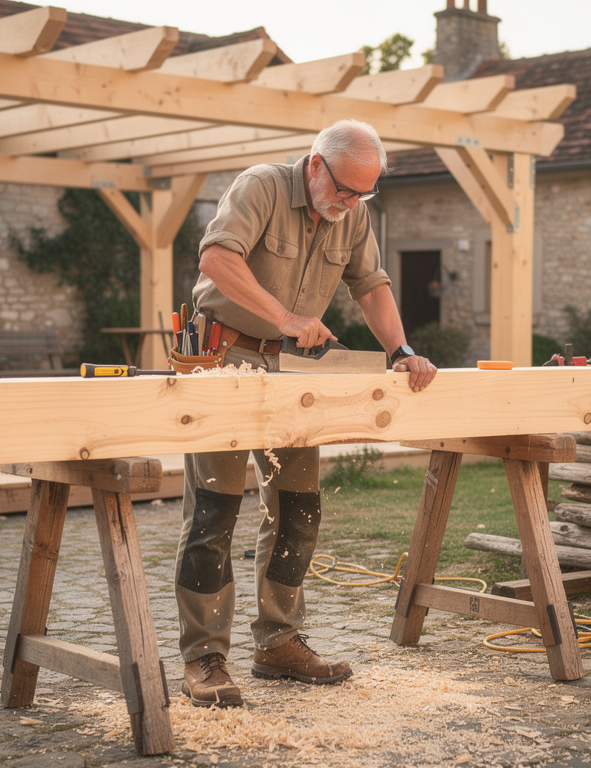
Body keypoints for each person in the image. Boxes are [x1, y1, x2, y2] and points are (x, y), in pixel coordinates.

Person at [175, 119, 438, 707]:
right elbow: (217, 259)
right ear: (316, 165)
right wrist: (286, 318)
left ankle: (278, 642)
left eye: (363, 194)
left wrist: (402, 351)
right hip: (224, 358)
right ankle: (204, 656)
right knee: (214, 511)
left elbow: (370, 284)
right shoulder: (261, 187)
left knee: (298, 508)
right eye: (344, 189)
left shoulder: (354, 211)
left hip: (293, 372)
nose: (350, 203)